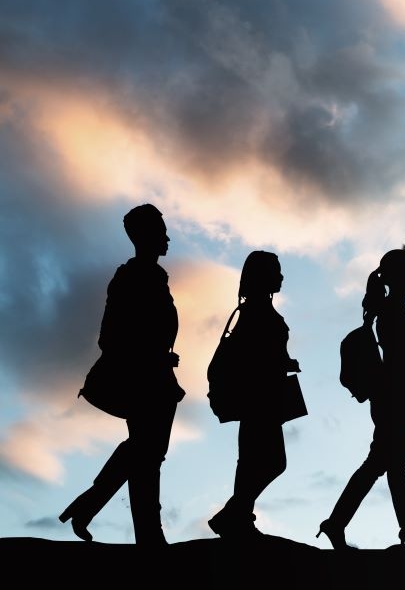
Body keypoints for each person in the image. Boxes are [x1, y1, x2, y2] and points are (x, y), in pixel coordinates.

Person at [59, 203, 185, 546]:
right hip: (143, 378)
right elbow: (109, 335)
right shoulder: (130, 277)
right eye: (160, 230)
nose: (167, 237)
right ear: (143, 235)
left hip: (157, 375)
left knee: (147, 451)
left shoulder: (155, 278)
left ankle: (92, 506)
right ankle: (147, 534)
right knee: (147, 453)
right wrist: (145, 355)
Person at [317, 248, 405, 549]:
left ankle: (344, 523)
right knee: (383, 464)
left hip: (397, 401)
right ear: (399, 275)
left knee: (388, 465)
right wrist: (403, 401)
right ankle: (343, 523)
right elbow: (399, 363)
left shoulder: (392, 309)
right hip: (394, 402)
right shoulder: (391, 312)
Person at [207, 250, 300, 539]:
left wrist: (284, 362)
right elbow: (254, 356)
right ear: (263, 276)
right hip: (258, 399)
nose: (281, 277)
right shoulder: (254, 312)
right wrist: (280, 362)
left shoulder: (256, 310)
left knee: (253, 461)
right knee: (267, 461)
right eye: (276, 271)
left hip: (266, 397)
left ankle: (238, 516)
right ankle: (235, 515)